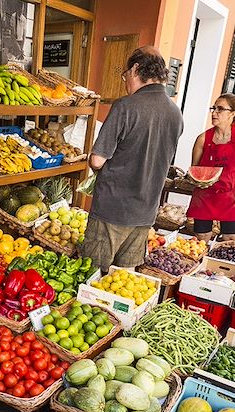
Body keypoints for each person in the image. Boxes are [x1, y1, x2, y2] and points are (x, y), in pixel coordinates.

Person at [80, 46, 183, 271]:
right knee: (124, 278)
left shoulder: (125, 106)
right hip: (145, 212)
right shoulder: (175, 113)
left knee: (93, 274)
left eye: (125, 75)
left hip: (112, 209)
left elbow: (97, 160)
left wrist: (89, 160)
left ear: (136, 69)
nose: (125, 80)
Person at [186, 93, 235, 243]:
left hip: (231, 196)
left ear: (232, 113)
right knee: (201, 239)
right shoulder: (202, 138)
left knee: (232, 241)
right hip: (205, 196)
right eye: (213, 108)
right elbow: (195, 168)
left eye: (220, 109)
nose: (214, 113)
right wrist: (197, 180)